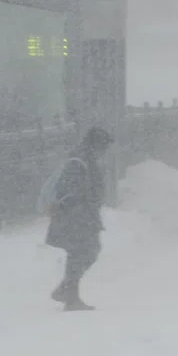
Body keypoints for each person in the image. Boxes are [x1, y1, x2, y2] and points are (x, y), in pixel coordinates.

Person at [46, 126, 115, 311]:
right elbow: (69, 189)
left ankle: (67, 291)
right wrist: (81, 206)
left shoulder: (87, 158)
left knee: (85, 252)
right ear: (96, 144)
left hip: (83, 216)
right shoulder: (79, 160)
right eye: (104, 147)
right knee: (81, 253)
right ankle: (70, 296)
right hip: (77, 216)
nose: (105, 151)